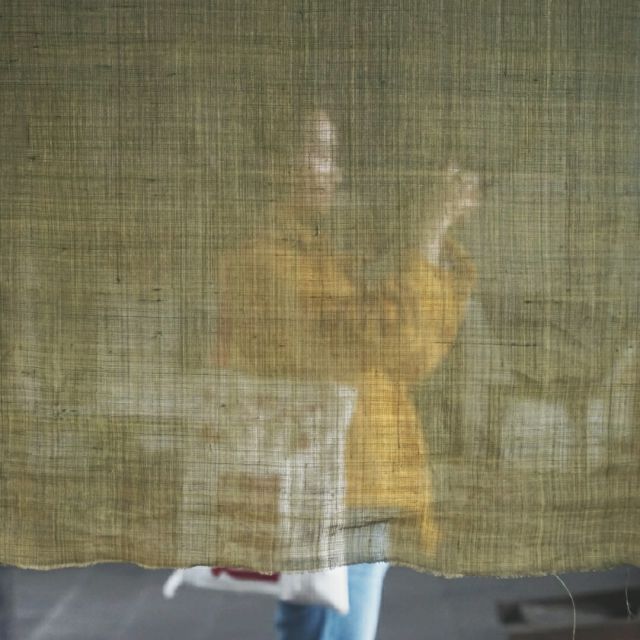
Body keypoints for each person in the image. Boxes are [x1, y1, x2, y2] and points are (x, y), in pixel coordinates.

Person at [215, 109, 479, 639]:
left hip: (351, 474)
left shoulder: (333, 259)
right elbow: (358, 341)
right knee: (332, 626)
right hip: (337, 481)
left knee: (312, 619)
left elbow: (413, 357)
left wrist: (425, 249)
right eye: (317, 153)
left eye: (334, 156)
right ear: (272, 166)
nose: (332, 171)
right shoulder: (265, 262)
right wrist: (426, 239)